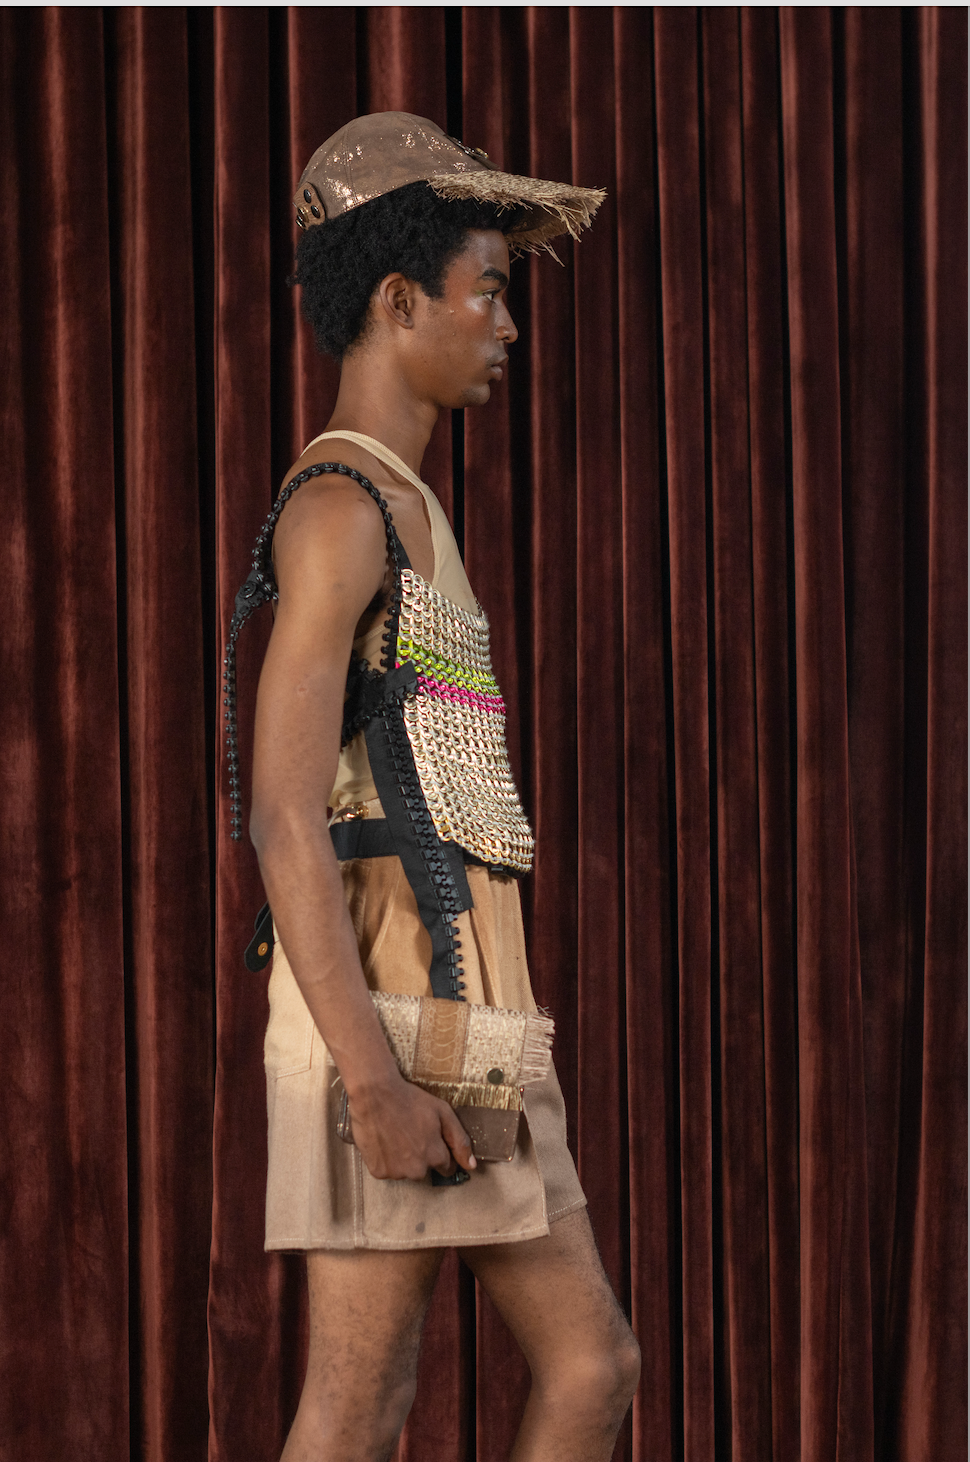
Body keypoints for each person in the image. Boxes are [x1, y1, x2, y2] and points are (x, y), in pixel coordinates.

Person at [229, 113, 640, 1462]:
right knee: (360, 1408)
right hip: (388, 1024)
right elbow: (283, 811)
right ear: (401, 300)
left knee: (590, 1365)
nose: (506, 324)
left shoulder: (406, 501)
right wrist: (372, 1080)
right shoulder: (340, 509)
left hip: (476, 1019)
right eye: (489, 289)